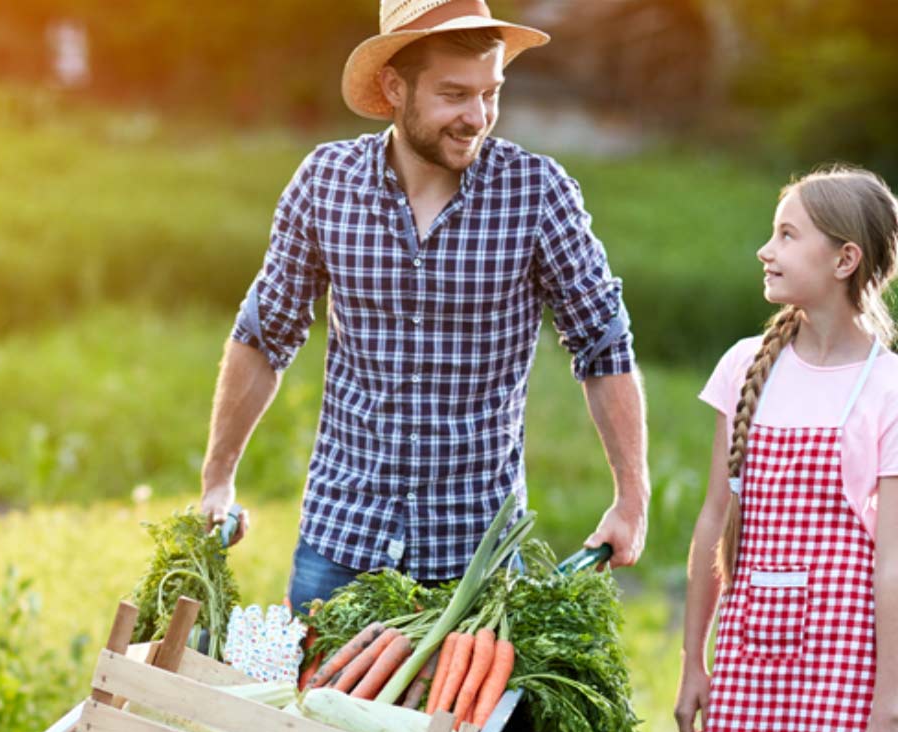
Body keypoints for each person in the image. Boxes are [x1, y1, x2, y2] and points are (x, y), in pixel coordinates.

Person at [199, 0, 649, 614]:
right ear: (395, 87)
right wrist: (218, 479)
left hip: (475, 556)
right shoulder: (325, 183)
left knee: (480, 688)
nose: (477, 117)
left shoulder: (537, 193)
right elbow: (262, 336)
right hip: (341, 542)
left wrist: (631, 499)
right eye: (454, 94)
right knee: (314, 683)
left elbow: (604, 344)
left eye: (490, 93)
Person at [674, 167, 898, 732]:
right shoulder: (743, 367)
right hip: (748, 662)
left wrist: (888, 719)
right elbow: (714, 518)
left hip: (847, 676)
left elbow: (894, 568)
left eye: (787, 235)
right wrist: (693, 662)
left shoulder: (894, 391)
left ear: (845, 260)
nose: (766, 251)